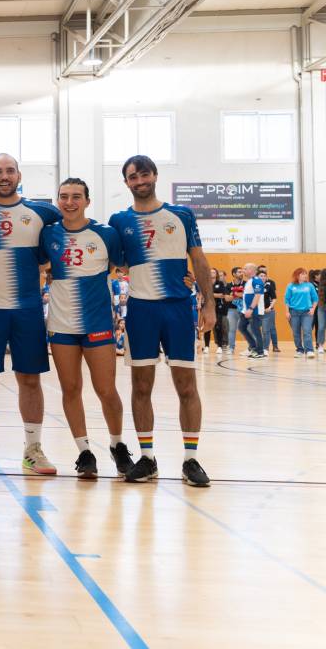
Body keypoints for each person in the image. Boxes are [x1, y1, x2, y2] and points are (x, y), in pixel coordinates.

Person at [110, 155, 213, 487]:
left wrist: (207, 302)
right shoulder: (118, 220)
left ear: (154, 175)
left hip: (178, 309)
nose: (139, 181)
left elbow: (198, 258)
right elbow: (113, 262)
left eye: (144, 174)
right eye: (132, 177)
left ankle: (191, 459)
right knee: (141, 387)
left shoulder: (181, 214)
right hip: (140, 310)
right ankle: (148, 457)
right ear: (126, 182)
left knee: (187, 386)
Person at [0, 154, 61, 475]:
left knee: (30, 379)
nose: (4, 176)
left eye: (9, 171)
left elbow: (59, 249)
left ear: (19, 175)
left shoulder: (43, 212)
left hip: (27, 309)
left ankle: (33, 449)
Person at [41, 178, 133, 478]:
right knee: (70, 389)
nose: (69, 202)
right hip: (61, 323)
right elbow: (34, 264)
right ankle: (84, 452)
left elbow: (130, 266)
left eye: (76, 196)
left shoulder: (106, 233)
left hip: (97, 322)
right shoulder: (48, 235)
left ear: (87, 201)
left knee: (106, 389)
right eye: (64, 196)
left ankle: (118, 445)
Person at [284, 268, 318, 358]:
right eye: (302, 274)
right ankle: (299, 350)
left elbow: (315, 298)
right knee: (296, 332)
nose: (305, 275)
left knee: (307, 331)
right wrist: (287, 312)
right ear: (297, 275)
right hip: (293, 312)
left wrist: (313, 309)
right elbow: (287, 300)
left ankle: (309, 350)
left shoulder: (309, 285)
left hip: (307, 313)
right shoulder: (290, 286)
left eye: (305, 274)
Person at [238, 263, 265, 358]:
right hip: (246, 310)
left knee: (256, 330)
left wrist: (251, 309)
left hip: (255, 311)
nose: (243, 270)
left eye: (245, 269)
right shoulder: (249, 281)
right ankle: (253, 346)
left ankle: (260, 351)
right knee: (241, 327)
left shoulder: (257, 281)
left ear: (251, 270)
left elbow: (257, 296)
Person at [257, 266, 279, 354]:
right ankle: (255, 347)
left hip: (267, 312)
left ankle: (266, 348)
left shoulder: (269, 286)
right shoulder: (254, 286)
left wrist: (269, 308)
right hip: (256, 312)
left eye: (264, 276)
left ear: (266, 277)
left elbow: (274, 298)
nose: (262, 277)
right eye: (261, 276)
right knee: (255, 330)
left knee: (266, 330)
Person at [210, 268, 230, 354]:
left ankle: (224, 343)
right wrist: (215, 295)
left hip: (222, 307)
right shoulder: (207, 283)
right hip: (210, 307)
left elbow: (222, 295)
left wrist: (211, 294)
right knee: (214, 326)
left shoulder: (222, 284)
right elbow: (204, 294)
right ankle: (218, 342)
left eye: (214, 272)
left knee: (223, 326)